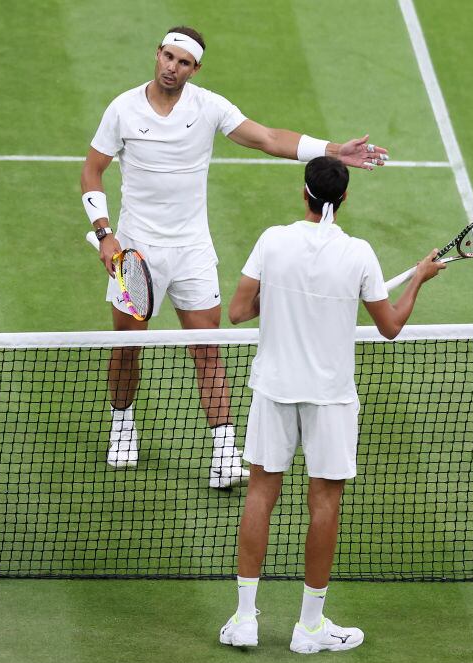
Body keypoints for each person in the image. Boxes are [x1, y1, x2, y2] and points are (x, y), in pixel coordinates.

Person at [80, 26, 390, 489]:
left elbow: (268, 138)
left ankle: (224, 450)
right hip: (135, 249)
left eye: (183, 63)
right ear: (157, 54)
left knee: (207, 348)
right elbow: (92, 171)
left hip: (192, 252)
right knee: (126, 346)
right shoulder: (122, 109)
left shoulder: (209, 107)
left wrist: (331, 150)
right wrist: (105, 235)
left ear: (195, 69)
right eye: (168, 56)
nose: (172, 67)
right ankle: (122, 424)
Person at [219, 157, 446, 652]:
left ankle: (243, 620)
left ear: (305, 194)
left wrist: (280, 298)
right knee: (324, 504)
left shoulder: (272, 241)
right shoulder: (360, 255)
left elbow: (238, 310)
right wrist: (419, 279)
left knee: (260, 494)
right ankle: (310, 629)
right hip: (330, 399)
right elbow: (389, 326)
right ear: (342, 199)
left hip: (273, 389)